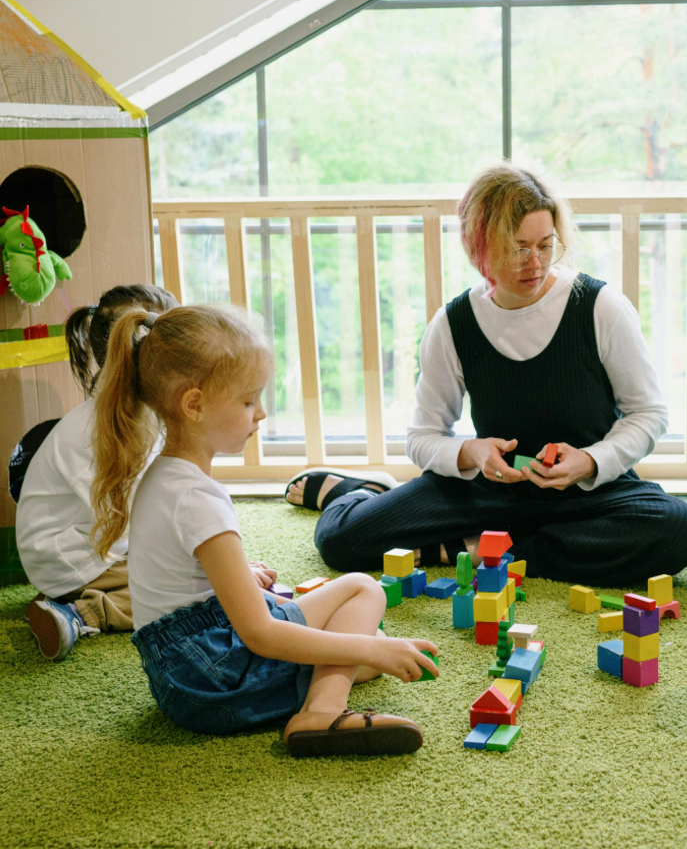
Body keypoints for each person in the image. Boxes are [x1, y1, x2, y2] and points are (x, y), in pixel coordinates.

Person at [288, 163, 687, 586]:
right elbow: (422, 437)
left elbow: (648, 414)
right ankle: (359, 493)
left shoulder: (601, 307)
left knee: (682, 530)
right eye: (518, 249)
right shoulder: (452, 325)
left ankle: (489, 549)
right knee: (341, 542)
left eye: (545, 245)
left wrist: (590, 461)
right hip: (489, 493)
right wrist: (471, 453)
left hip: (587, 494)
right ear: (480, 247)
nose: (534, 263)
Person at [92, 303, 435, 755]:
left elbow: (181, 580)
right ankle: (323, 711)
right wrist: (369, 652)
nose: (261, 414)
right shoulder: (198, 498)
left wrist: (243, 579)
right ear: (194, 405)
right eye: (248, 400)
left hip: (180, 673)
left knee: (366, 636)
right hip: (213, 676)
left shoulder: (163, 474)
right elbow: (259, 634)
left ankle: (336, 676)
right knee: (364, 604)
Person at [17, 284, 177, 661]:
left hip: (84, 547)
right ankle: (81, 612)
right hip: (68, 557)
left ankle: (67, 597)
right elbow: (129, 519)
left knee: (195, 573)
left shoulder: (138, 414)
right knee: (184, 590)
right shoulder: (98, 429)